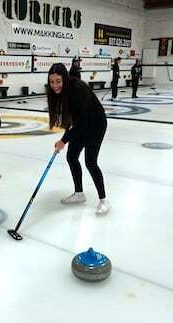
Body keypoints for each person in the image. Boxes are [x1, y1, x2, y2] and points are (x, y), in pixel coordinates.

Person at [46, 63, 111, 215]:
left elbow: (82, 123)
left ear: (65, 79)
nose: (55, 85)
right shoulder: (60, 92)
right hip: (82, 123)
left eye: (58, 81)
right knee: (72, 157)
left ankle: (104, 200)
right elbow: (73, 120)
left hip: (96, 123)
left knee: (90, 162)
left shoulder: (77, 89)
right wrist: (64, 139)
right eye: (52, 81)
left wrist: (64, 141)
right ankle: (79, 194)